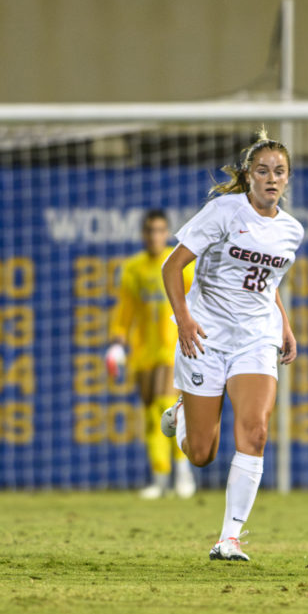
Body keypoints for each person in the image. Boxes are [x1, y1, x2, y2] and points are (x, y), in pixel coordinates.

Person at [159, 129, 303, 562]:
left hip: (256, 339)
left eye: (279, 171)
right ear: (248, 175)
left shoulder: (291, 231)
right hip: (205, 336)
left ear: (288, 178)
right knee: (201, 454)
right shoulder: (223, 212)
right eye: (263, 170)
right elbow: (171, 267)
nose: (271, 178)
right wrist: (184, 320)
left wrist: (284, 325)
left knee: (256, 431)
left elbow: (267, 284)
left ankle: (230, 537)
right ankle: (183, 415)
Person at [106, 210, 196, 499]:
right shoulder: (133, 268)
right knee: (149, 414)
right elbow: (125, 310)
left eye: (159, 230)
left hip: (174, 346)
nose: (154, 236)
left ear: (166, 233)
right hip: (143, 350)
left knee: (165, 405)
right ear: (143, 234)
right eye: (149, 231)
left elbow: (198, 299)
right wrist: (117, 343)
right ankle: (160, 477)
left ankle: (183, 472)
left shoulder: (179, 263)